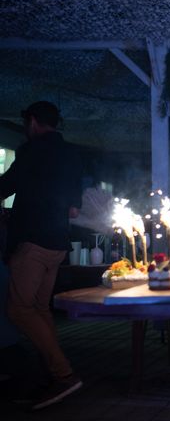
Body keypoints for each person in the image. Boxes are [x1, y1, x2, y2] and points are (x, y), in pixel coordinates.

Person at [0, 101, 83, 410]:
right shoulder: (72, 154)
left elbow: (6, 186)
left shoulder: (31, 151)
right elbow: (75, 206)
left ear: (32, 121)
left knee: (20, 311)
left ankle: (64, 375)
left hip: (33, 242)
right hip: (58, 242)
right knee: (39, 309)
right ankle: (53, 373)